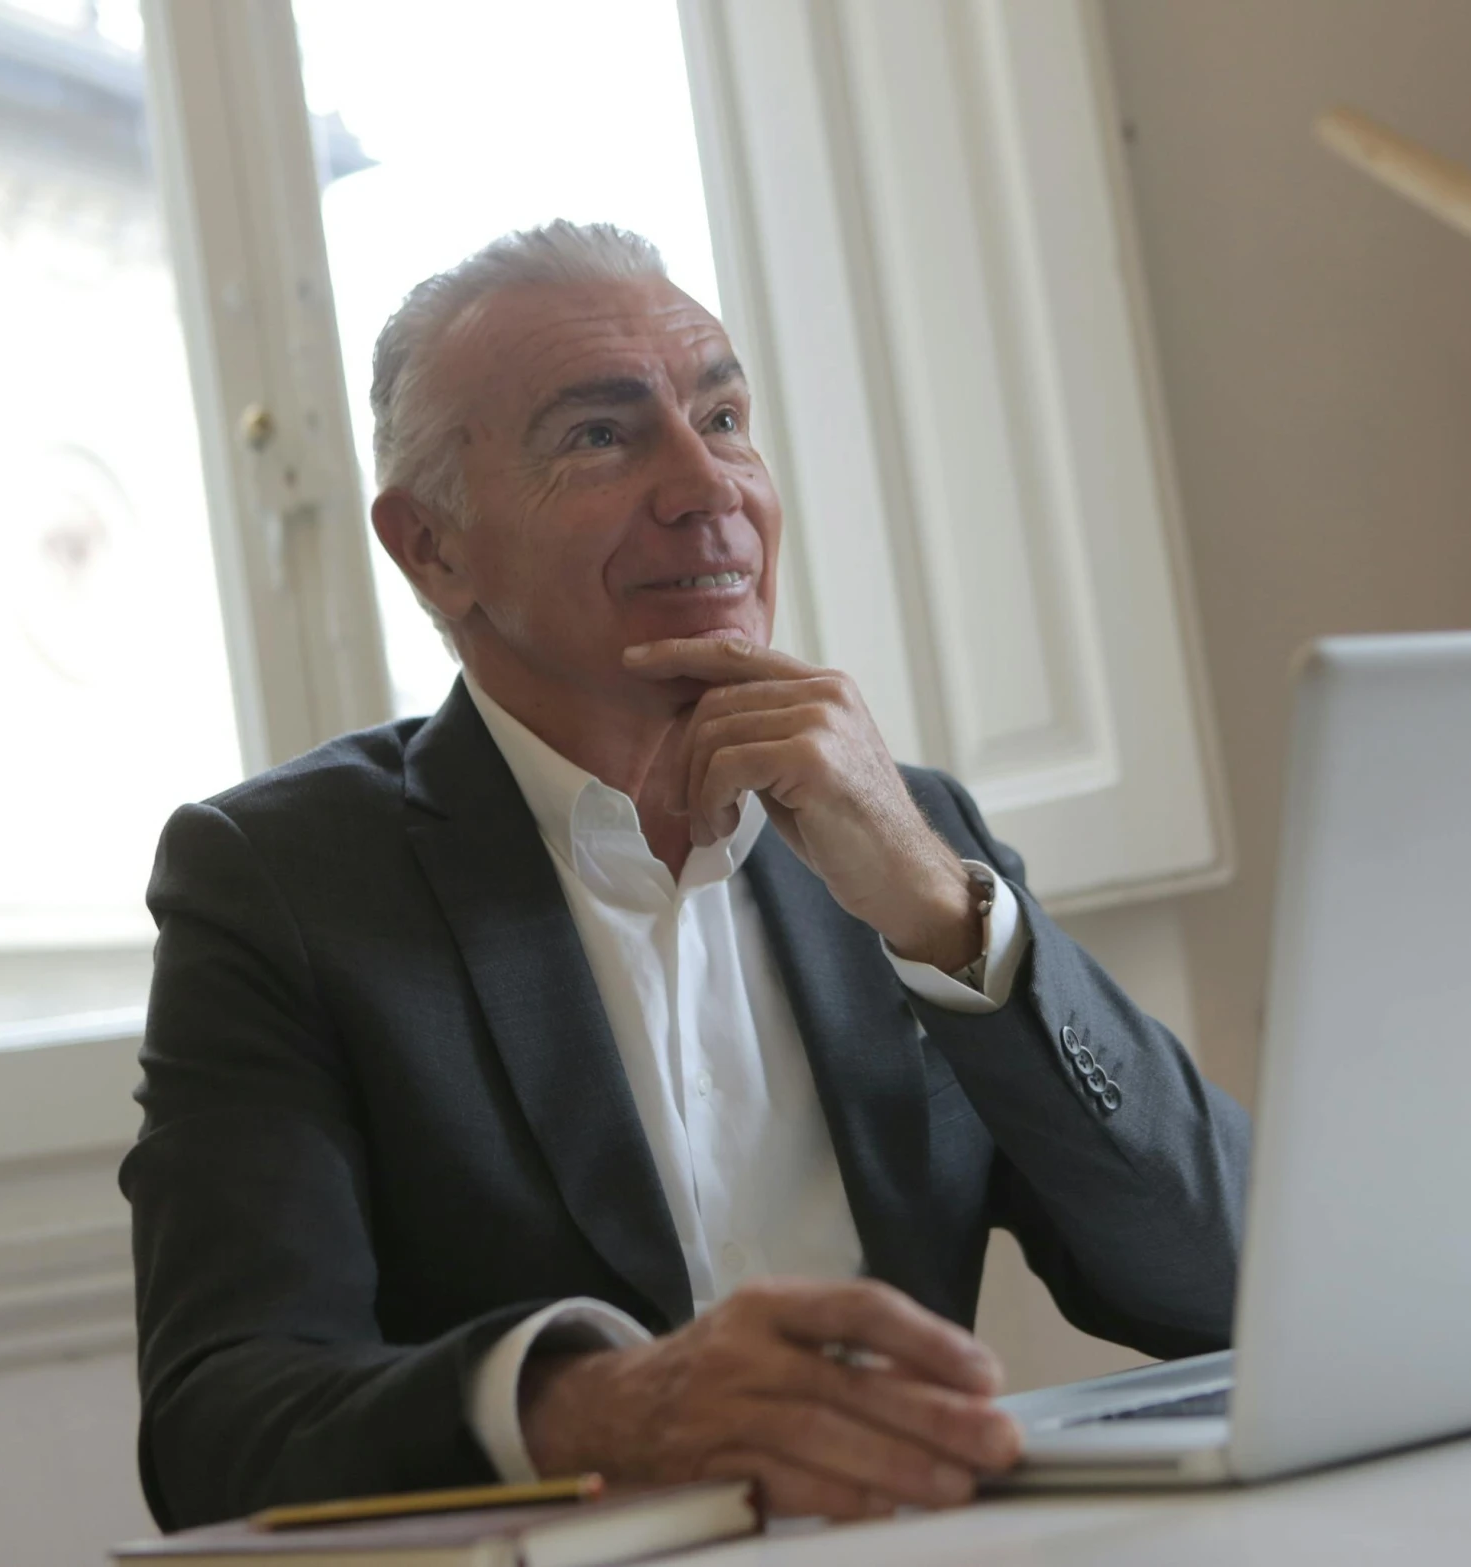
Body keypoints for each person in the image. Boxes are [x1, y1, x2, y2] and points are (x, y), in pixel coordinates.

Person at [122, 221, 1249, 1531]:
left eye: (721, 414)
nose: (701, 483)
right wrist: (606, 1407)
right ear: (433, 546)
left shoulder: (909, 833)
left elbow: (1230, 1280)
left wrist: (946, 920)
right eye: (600, 435)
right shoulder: (279, 880)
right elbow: (221, 1429)